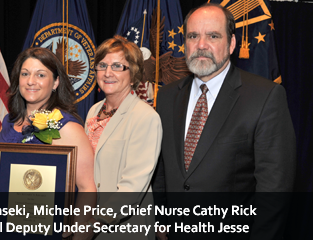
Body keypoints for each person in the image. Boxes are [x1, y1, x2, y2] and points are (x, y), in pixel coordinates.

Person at [153, 3, 296, 240]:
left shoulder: (265, 97)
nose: (201, 45)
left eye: (213, 36)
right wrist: (160, 221)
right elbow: (161, 171)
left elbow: (275, 191)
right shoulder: (167, 96)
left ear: (231, 44)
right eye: (193, 36)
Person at [0, 47, 96, 239]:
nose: (31, 81)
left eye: (40, 75)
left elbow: (87, 188)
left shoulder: (67, 127)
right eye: (25, 74)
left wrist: (77, 232)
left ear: (56, 82)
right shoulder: (7, 123)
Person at [83, 35, 163, 240]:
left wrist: (95, 222)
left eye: (118, 66)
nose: (108, 72)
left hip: (122, 229)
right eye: (102, 65)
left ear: (133, 72)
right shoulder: (93, 111)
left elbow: (132, 187)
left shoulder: (146, 117)